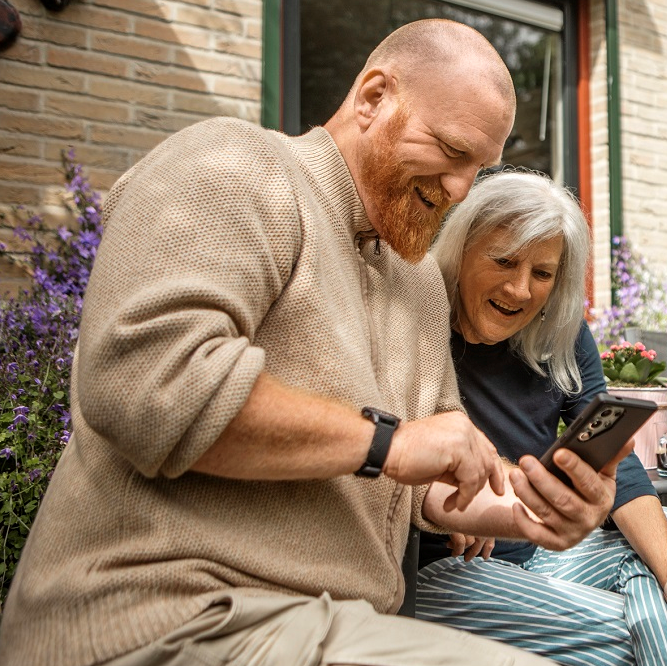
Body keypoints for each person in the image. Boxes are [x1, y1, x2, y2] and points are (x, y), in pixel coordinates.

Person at [0, 20, 620, 666]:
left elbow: (433, 479)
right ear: (373, 98)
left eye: (480, 168)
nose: (464, 190)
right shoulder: (233, 165)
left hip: (331, 628)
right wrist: (391, 441)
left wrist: (533, 510)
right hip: (163, 618)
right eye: (450, 150)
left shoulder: (418, 286)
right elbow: (150, 383)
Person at [416, 170, 667, 666]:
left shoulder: (562, 336)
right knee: (641, 629)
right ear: (463, 248)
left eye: (543, 273)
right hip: (446, 568)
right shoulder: (418, 314)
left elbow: (620, 464)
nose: (519, 289)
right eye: (503, 260)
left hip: (538, 555)